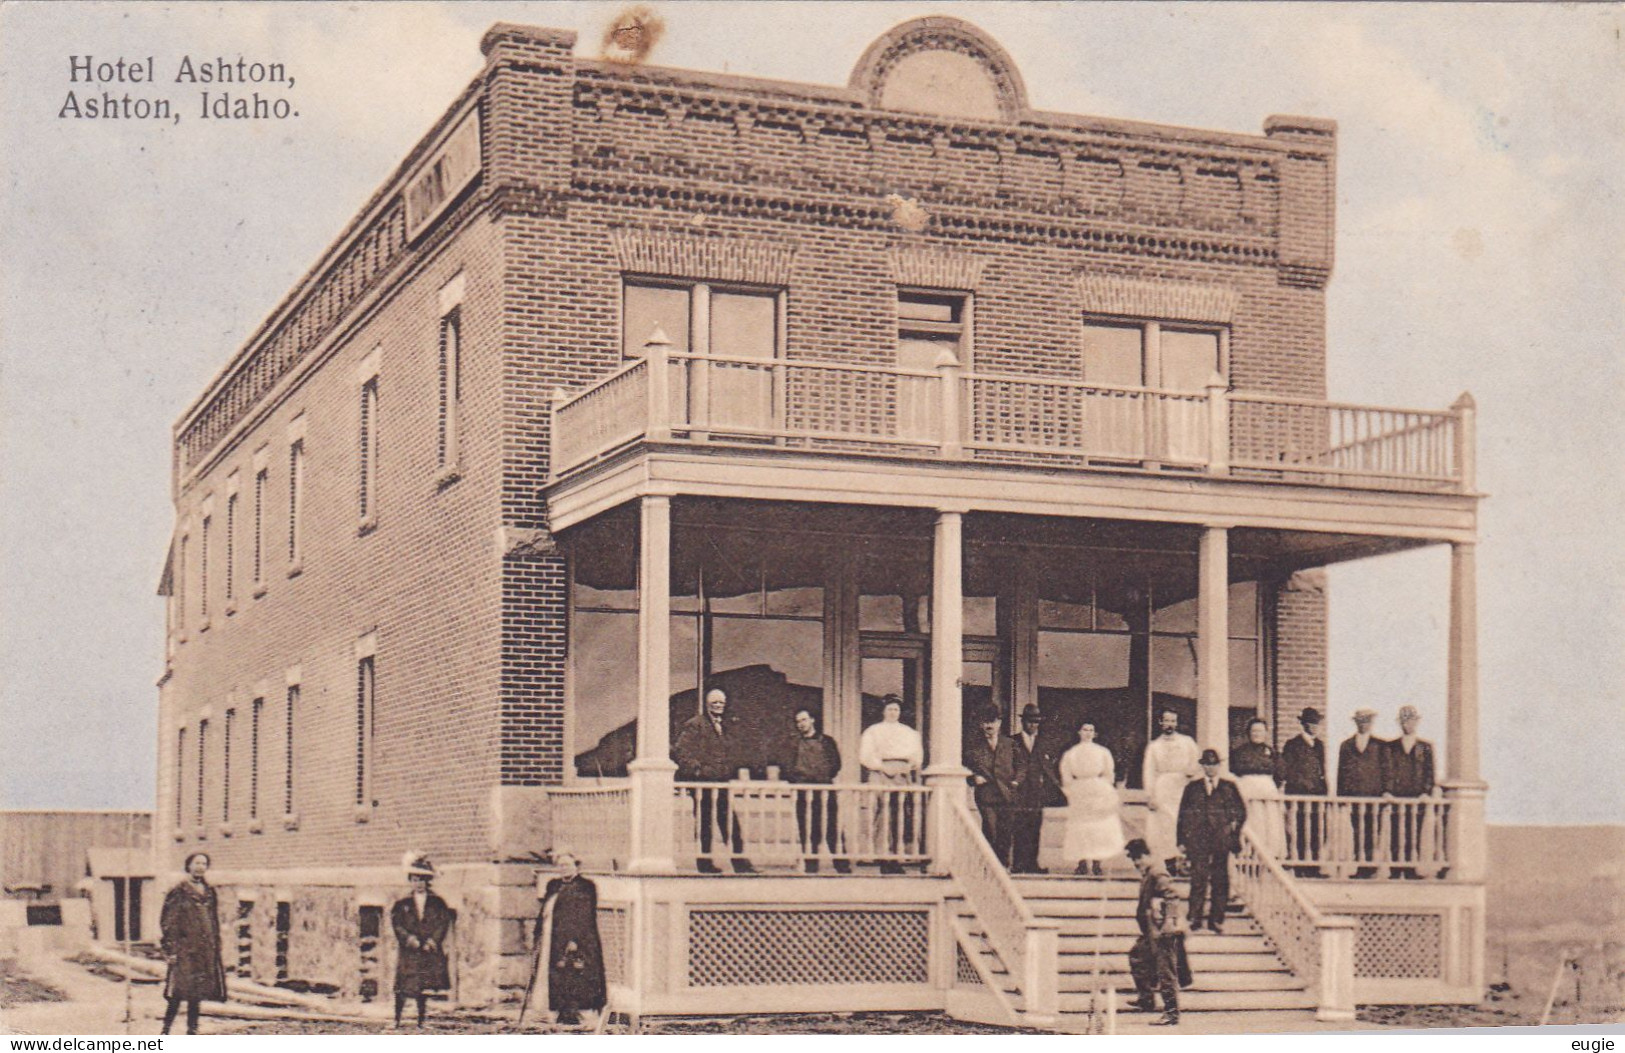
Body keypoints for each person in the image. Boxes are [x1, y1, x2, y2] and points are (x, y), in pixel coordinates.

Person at [673, 687, 753, 873]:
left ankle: (740, 864)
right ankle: (705, 864)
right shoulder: (695, 724)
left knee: (730, 824)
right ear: (708, 705)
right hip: (704, 787)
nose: (718, 706)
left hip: (721, 784)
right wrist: (700, 772)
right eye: (715, 703)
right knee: (704, 825)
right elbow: (681, 753)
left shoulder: (723, 726)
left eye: (721, 703)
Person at [528, 851, 606, 1027]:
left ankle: (577, 1013)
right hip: (552, 939)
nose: (564, 869)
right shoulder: (553, 885)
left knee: (576, 975)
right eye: (561, 865)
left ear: (576, 866)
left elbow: (584, 916)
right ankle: (556, 1011)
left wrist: (575, 940)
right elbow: (545, 911)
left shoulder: (586, 886)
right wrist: (538, 933)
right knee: (554, 975)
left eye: (568, 865)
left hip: (579, 940)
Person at [1177, 749, 1247, 933]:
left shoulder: (1229, 787)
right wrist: (1181, 840)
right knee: (1198, 879)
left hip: (1220, 840)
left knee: (1220, 879)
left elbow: (1241, 812)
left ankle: (1216, 919)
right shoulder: (1192, 788)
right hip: (1198, 840)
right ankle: (1195, 917)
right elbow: (1182, 815)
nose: (1210, 768)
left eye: (1214, 764)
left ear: (1219, 765)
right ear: (1202, 766)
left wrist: (1233, 832)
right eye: (1207, 764)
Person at [159, 852, 227, 1035]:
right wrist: (171, 950)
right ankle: (165, 1031)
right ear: (188, 866)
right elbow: (168, 922)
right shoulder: (179, 891)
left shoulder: (209, 891)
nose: (200, 867)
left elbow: (213, 921)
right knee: (177, 992)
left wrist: (215, 945)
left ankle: (192, 1032)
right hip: (184, 951)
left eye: (204, 863)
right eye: (196, 863)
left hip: (204, 951)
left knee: (196, 994)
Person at [1124, 838, 1189, 1027]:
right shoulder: (1149, 872)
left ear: (1147, 855)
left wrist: (1169, 921)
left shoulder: (1157, 872)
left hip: (1163, 931)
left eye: (1139, 859)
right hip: (1152, 931)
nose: (1137, 863)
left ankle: (1171, 1013)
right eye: (1134, 860)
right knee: (1137, 956)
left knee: (1165, 971)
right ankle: (1146, 999)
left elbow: (1172, 896)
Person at [859, 695, 924, 873]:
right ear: (883, 711)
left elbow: (917, 757)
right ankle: (882, 856)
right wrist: (881, 767)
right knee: (881, 814)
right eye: (890, 709)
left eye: (896, 709)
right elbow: (865, 756)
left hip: (902, 774)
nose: (893, 713)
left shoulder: (909, 732)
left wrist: (906, 768)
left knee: (900, 814)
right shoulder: (873, 731)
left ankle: (897, 855)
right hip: (880, 773)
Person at [390, 852, 455, 1028]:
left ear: (427, 881)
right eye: (414, 879)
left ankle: (421, 1021)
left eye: (421, 880)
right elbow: (397, 924)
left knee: (423, 987)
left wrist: (433, 941)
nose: (418, 883)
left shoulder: (437, 902)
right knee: (402, 987)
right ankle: (397, 1019)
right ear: (410, 881)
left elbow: (443, 922)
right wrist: (410, 939)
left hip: (427, 950)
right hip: (410, 951)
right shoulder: (403, 902)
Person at [995, 704, 1061, 874]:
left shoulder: (1043, 743)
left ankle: (1033, 864)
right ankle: (1018, 864)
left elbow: (1048, 768)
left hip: (1036, 792)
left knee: (1035, 826)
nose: (1033, 725)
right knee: (1018, 827)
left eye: (1036, 722)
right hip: (1018, 791)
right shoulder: (1012, 741)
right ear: (1023, 722)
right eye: (1030, 721)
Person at [1059, 720, 1125, 876]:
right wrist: (1072, 791)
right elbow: (1066, 774)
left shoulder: (1103, 752)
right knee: (1080, 828)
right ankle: (1081, 863)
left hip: (1098, 791)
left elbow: (1109, 773)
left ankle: (1097, 863)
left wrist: (1104, 790)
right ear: (1079, 732)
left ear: (1095, 734)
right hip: (1079, 792)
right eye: (1084, 729)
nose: (1087, 733)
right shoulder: (1071, 753)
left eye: (1091, 730)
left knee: (1097, 828)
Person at [782, 708, 844, 872]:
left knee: (833, 827)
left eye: (803, 720)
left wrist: (822, 777)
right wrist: (797, 780)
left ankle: (842, 865)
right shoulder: (794, 743)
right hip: (803, 791)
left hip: (824, 789)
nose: (801, 724)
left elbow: (836, 764)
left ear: (812, 720)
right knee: (806, 828)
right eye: (798, 721)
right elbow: (787, 766)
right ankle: (811, 866)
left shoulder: (826, 741)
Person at [1141, 709, 1200, 873]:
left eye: (1173, 721)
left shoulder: (1187, 742)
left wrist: (1191, 771)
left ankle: (1186, 862)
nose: (1170, 724)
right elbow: (1149, 771)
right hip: (1163, 787)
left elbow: (1197, 761)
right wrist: (1150, 795)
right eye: (1167, 721)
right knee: (1165, 826)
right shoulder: (1154, 746)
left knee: (1184, 823)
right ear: (1160, 722)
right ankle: (1169, 863)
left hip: (1183, 785)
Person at [1382, 705, 1437, 879]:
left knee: (1414, 832)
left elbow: (1430, 773)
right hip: (1397, 799)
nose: (1407, 724)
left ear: (1416, 722)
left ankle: (1412, 869)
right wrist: (1388, 791)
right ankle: (1396, 869)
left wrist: (1426, 792)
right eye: (1404, 721)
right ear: (1400, 723)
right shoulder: (1391, 747)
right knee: (1396, 833)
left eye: (1411, 720)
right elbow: (1387, 771)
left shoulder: (1425, 747)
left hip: (1417, 799)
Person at [1337, 708, 1387, 878]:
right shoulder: (1346, 745)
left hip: (1374, 797)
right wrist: (1341, 797)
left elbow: (1386, 771)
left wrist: (1386, 792)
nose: (1364, 724)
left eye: (1367, 721)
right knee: (1357, 831)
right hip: (1354, 796)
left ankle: (1371, 867)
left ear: (1371, 723)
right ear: (1356, 722)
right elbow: (1341, 772)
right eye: (1361, 721)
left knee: (1373, 831)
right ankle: (1359, 866)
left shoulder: (1380, 745)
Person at [1279, 707, 1328, 876]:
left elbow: (1322, 771)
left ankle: (1314, 867)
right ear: (1303, 724)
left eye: (1317, 724)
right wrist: (1303, 784)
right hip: (1299, 794)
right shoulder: (1292, 745)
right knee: (1300, 828)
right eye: (1311, 723)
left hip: (1317, 795)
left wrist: (1324, 790)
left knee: (1317, 829)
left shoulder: (1320, 745)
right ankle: (1300, 867)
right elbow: (1288, 770)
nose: (1314, 727)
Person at [1230, 718, 1285, 860]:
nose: (1257, 734)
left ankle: (1269, 854)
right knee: (1251, 820)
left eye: (1260, 731)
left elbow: (1280, 774)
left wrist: (1268, 786)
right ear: (1249, 733)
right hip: (1247, 790)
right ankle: (1248, 853)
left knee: (1268, 822)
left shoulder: (1272, 752)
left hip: (1267, 791)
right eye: (1254, 731)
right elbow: (1233, 771)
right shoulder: (1239, 752)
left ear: (1266, 733)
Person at [964, 708, 1012, 862]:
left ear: (999, 723)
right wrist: (973, 777)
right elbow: (964, 766)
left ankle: (1003, 864)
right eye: (985, 722)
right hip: (986, 793)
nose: (989, 725)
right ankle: (989, 864)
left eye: (992, 721)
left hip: (1006, 793)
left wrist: (1016, 781)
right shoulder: (974, 746)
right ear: (980, 724)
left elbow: (1021, 765)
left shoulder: (1009, 743)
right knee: (990, 828)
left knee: (1005, 829)